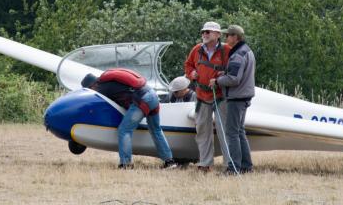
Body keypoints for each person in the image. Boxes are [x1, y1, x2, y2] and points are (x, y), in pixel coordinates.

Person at [81, 69, 177, 169]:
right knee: (156, 130)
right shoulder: (107, 82)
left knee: (124, 130)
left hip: (142, 99)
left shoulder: (101, 88)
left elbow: (97, 105)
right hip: (152, 95)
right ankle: (169, 161)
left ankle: (126, 164)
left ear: (92, 86)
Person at [184, 21, 231, 172]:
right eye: (203, 32)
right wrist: (191, 74)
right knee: (203, 131)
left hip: (220, 96)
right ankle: (205, 163)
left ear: (218, 35)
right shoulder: (197, 49)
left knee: (224, 131)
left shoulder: (227, 50)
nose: (204, 34)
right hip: (201, 96)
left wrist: (223, 75)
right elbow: (188, 65)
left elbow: (235, 70)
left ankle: (229, 164)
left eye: (208, 32)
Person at [210, 25, 255, 174]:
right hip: (244, 96)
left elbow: (234, 79)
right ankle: (246, 166)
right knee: (240, 131)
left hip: (237, 97)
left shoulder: (237, 55)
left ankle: (233, 167)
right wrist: (226, 72)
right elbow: (238, 73)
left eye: (228, 35)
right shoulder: (246, 50)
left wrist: (217, 81)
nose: (225, 38)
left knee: (232, 133)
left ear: (235, 37)